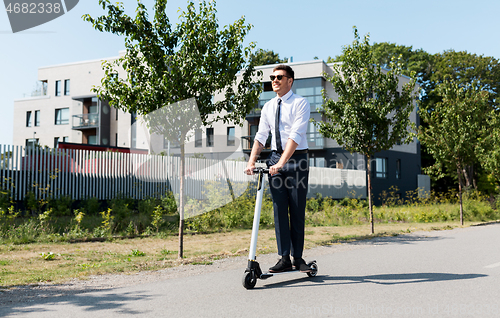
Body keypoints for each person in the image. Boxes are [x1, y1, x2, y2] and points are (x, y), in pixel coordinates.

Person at [244, 64, 311, 273]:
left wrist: (282, 162)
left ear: (290, 81)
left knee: (297, 209)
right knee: (279, 209)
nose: (275, 80)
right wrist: (252, 161)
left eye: (279, 77)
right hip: (275, 158)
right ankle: (284, 258)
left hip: (296, 159)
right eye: (272, 77)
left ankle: (298, 257)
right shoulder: (268, 106)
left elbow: (295, 135)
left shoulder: (301, 103)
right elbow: (261, 136)